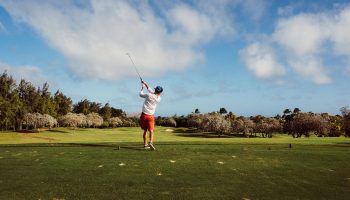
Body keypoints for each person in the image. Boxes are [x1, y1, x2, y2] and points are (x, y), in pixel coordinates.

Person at [139, 80, 163, 150]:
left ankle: (145, 145)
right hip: (151, 116)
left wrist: (142, 87)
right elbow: (151, 90)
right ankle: (151, 142)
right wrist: (145, 83)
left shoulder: (148, 95)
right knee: (151, 130)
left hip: (144, 115)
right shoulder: (159, 98)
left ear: (155, 90)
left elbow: (140, 94)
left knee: (145, 131)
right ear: (160, 93)